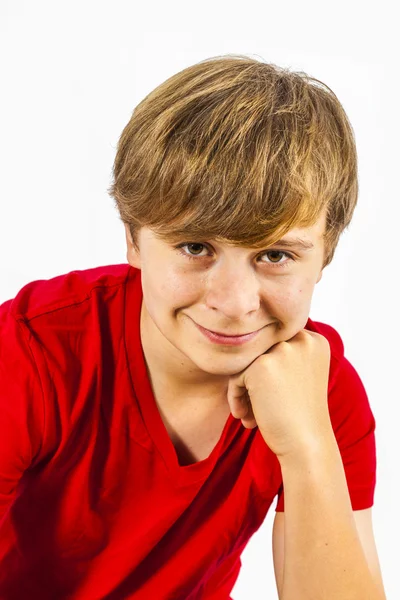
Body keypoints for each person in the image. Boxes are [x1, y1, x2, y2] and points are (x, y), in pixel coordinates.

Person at [0, 55, 386, 599]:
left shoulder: (321, 391)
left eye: (275, 255)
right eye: (195, 247)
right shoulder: (32, 353)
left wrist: (307, 447)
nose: (233, 303)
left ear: (325, 256)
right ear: (133, 240)